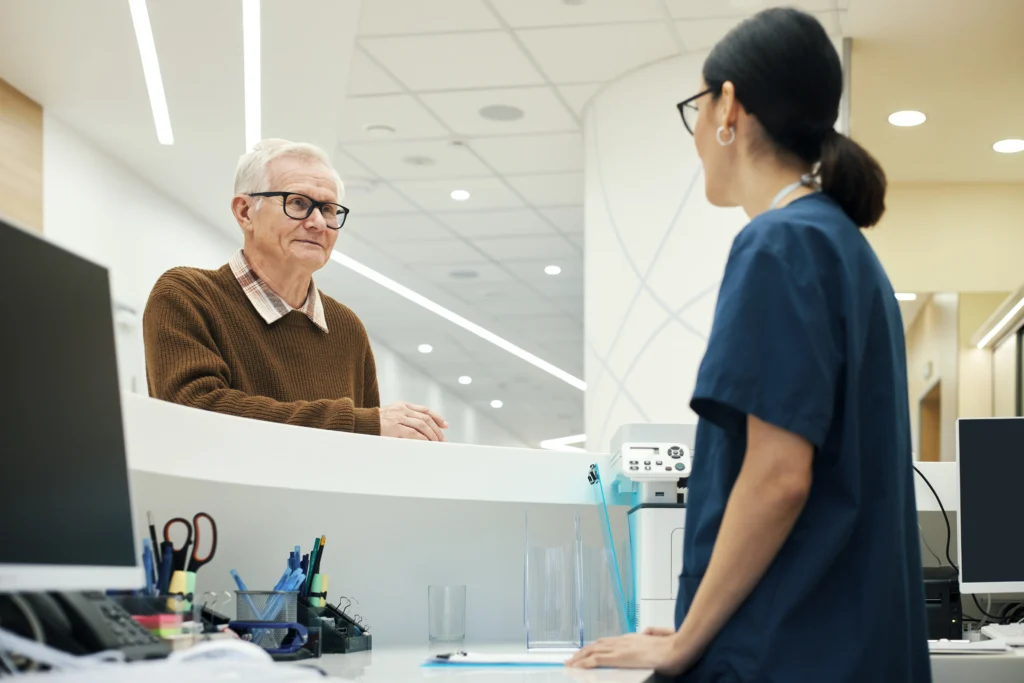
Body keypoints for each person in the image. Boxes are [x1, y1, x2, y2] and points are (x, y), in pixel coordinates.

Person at [568, 8, 929, 682]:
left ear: (729, 105)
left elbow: (778, 476)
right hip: (844, 646)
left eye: (696, 109)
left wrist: (684, 642)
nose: (697, 134)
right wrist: (703, 619)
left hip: (789, 651)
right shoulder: (847, 250)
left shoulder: (779, 244)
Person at [143, 138, 448, 442]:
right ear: (245, 212)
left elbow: (364, 452)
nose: (318, 223)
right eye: (298, 203)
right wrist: (358, 422)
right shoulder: (188, 296)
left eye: (328, 209)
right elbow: (193, 411)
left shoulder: (346, 327)